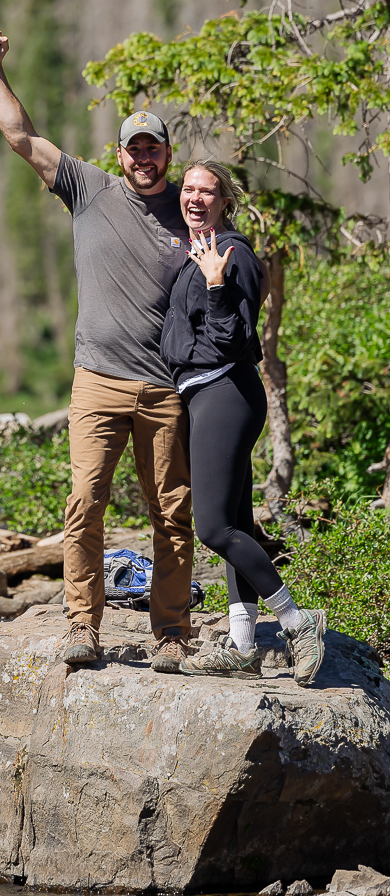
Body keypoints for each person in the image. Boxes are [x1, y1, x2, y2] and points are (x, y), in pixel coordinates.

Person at [0, 28, 194, 672]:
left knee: (173, 512)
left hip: (165, 388)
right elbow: (21, 138)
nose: (143, 158)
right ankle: (83, 627)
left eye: (153, 148)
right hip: (97, 380)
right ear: (119, 154)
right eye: (134, 148)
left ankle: (172, 632)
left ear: (167, 153)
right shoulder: (88, 189)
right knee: (85, 505)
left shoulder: (191, 214)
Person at [160, 158, 326, 686]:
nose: (195, 198)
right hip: (205, 395)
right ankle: (242, 643)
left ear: (224, 201)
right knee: (236, 519)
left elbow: (234, 341)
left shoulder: (234, 255)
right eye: (187, 189)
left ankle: (299, 623)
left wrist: (214, 285)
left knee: (211, 526)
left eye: (207, 192)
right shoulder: (195, 253)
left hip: (225, 392)